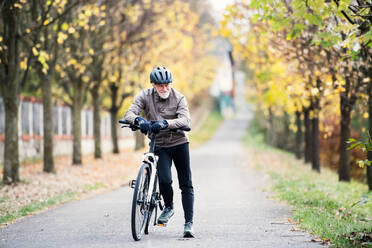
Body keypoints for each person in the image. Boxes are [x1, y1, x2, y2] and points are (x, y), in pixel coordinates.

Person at [123, 66, 195, 238]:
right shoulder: (144, 96)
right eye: (160, 85)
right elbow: (129, 113)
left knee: (185, 183)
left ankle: (188, 224)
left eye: (167, 84)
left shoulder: (179, 97)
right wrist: (139, 120)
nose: (164, 88)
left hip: (179, 143)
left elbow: (185, 119)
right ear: (154, 85)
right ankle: (169, 206)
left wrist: (165, 123)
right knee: (164, 179)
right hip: (159, 145)